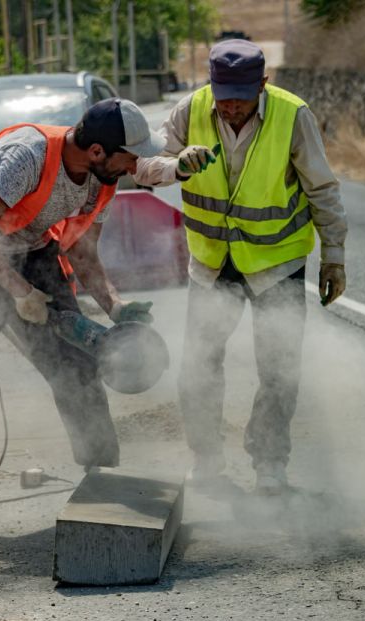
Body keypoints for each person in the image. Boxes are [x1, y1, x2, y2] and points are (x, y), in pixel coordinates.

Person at [0, 98, 164, 531]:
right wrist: (20, 293)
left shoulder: (100, 179)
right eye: (129, 156)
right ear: (97, 152)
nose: (135, 166)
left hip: (35, 252)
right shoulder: (28, 159)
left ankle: (101, 476)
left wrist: (115, 304)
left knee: (77, 364)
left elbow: (84, 248)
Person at [134, 40, 348, 496]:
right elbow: (142, 168)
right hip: (212, 265)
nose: (229, 106)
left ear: (263, 85)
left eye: (240, 97)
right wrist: (177, 166)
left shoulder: (293, 116)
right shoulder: (189, 111)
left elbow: (323, 189)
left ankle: (270, 468)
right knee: (200, 364)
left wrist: (334, 257)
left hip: (276, 263)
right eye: (222, 94)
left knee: (278, 369)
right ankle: (207, 461)